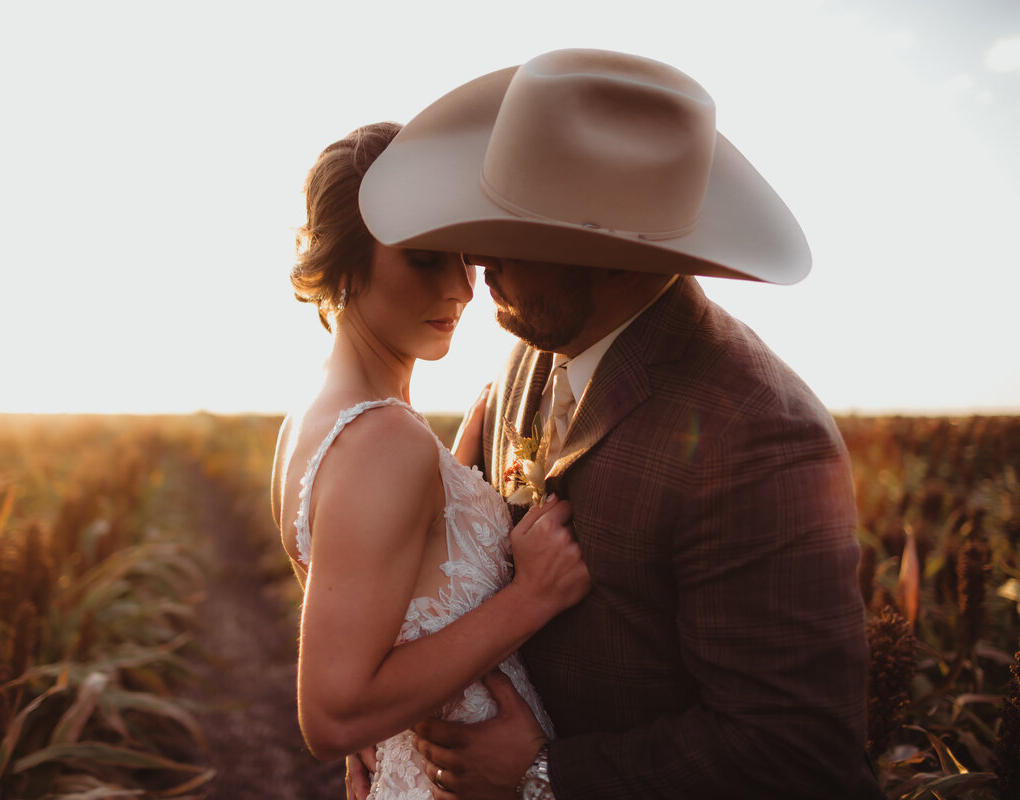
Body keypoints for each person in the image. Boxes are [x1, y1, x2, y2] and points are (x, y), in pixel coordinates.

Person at [356, 50, 883, 799]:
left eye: (518, 234)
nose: (476, 259)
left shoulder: (761, 437)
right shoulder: (529, 348)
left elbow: (794, 751)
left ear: (616, 260)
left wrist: (541, 775)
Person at [269, 122, 591, 800]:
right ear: (346, 262)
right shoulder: (384, 444)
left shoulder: (312, 421)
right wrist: (529, 599)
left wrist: (455, 467)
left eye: (465, 257)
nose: (462, 290)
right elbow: (331, 716)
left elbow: (383, 597)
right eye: (424, 259)